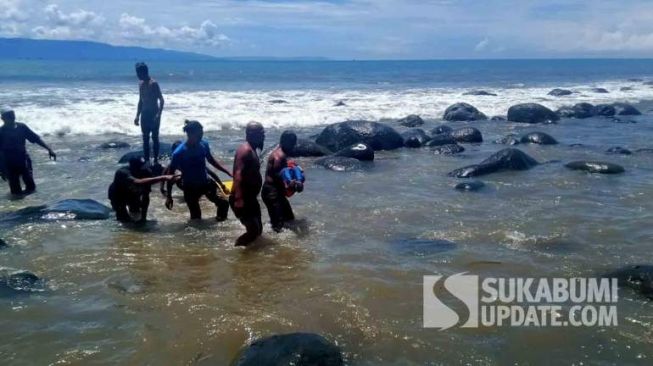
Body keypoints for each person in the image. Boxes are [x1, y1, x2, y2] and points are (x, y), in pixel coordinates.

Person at [165, 120, 232, 221]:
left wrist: (226, 171)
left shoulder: (204, 144)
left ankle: (220, 224)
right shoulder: (179, 153)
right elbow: (170, 175)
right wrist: (169, 196)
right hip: (190, 187)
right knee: (196, 218)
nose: (201, 135)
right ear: (190, 134)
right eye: (199, 133)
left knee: (224, 203)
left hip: (206, 183)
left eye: (202, 132)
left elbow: (211, 161)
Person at [0, 107, 56, 196]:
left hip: (23, 160)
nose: (12, 118)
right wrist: (1, 169)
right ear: (2, 118)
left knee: (31, 187)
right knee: (15, 192)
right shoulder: (1, 132)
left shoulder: (22, 127)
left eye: (12, 115)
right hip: (9, 164)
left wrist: (49, 149)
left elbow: (36, 139)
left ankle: (32, 204)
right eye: (9, 116)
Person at [108, 156, 176, 223]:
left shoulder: (146, 172)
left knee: (136, 213)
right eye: (141, 166)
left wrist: (144, 218)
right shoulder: (122, 172)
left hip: (133, 194)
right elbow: (137, 182)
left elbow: (145, 196)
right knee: (123, 220)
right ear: (134, 167)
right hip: (117, 196)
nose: (144, 168)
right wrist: (163, 177)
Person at [231, 122, 265, 246]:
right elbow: (238, 174)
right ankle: (237, 252)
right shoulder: (245, 150)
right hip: (242, 198)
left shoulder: (252, 149)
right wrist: (239, 199)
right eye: (261, 133)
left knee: (259, 230)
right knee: (253, 232)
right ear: (251, 134)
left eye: (263, 133)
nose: (263, 136)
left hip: (250, 198)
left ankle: (252, 258)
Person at [262, 130, 302, 232]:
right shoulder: (280, 156)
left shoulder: (279, 152)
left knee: (289, 219)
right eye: (292, 143)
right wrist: (293, 184)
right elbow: (278, 174)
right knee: (277, 226)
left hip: (276, 192)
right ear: (285, 142)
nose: (294, 146)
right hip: (272, 193)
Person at [133, 62, 164, 164]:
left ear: (143, 72)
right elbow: (140, 101)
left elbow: (161, 100)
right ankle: (146, 161)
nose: (137, 75)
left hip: (154, 114)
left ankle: (156, 160)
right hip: (144, 115)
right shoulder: (140, 84)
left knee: (155, 138)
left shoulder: (153, 83)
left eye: (138, 73)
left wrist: (158, 115)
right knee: (145, 138)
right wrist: (137, 115)